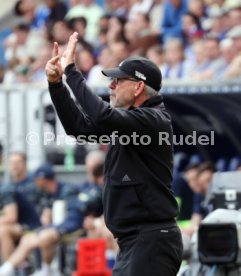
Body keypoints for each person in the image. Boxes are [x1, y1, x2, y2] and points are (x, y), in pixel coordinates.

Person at [45, 32, 183, 276]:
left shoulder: (153, 119)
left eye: (118, 81)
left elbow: (101, 116)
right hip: (135, 243)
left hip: (151, 241)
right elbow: (79, 128)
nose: (111, 85)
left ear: (139, 86)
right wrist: (56, 86)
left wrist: (72, 72)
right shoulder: (130, 121)